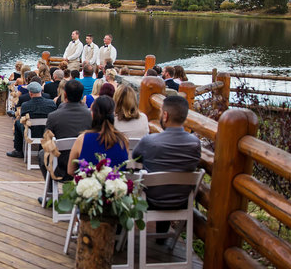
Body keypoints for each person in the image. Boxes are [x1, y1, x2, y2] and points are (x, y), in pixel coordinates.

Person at [132, 95, 202, 235]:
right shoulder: (195, 143)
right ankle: (161, 237)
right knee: (168, 182)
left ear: (165, 115)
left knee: (152, 182)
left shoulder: (149, 141)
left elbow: (135, 157)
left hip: (151, 200)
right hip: (181, 201)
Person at [37, 79, 92, 186]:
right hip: (85, 165)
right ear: (81, 95)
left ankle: (50, 192)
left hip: (60, 167)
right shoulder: (90, 116)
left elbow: (46, 143)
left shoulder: (54, 116)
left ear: (65, 94)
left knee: (41, 154)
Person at [67, 95, 130, 176]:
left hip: (88, 186)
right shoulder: (123, 140)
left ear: (93, 115)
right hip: (115, 187)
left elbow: (70, 170)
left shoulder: (82, 139)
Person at [6, 81, 57, 158]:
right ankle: (41, 150)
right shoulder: (51, 103)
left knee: (17, 123)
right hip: (47, 132)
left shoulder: (26, 105)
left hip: (31, 132)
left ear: (30, 93)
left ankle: (18, 150)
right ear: (41, 91)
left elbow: (23, 119)